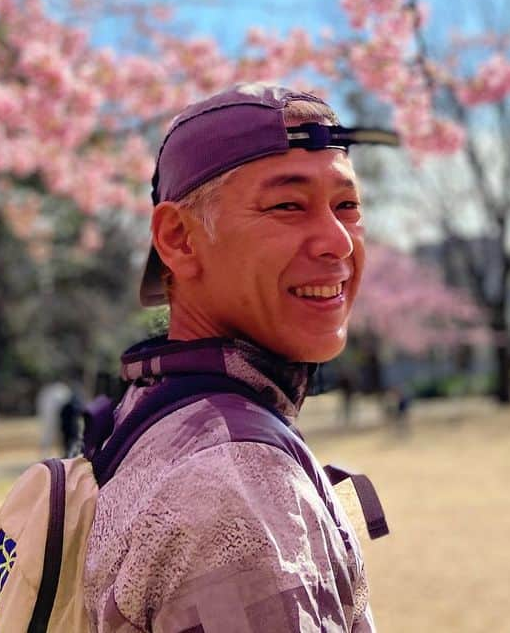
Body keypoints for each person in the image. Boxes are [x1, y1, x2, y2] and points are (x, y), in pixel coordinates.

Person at [84, 82, 397, 632]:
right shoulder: (237, 484)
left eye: (347, 205)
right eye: (287, 205)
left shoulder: (149, 409)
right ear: (179, 239)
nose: (338, 242)